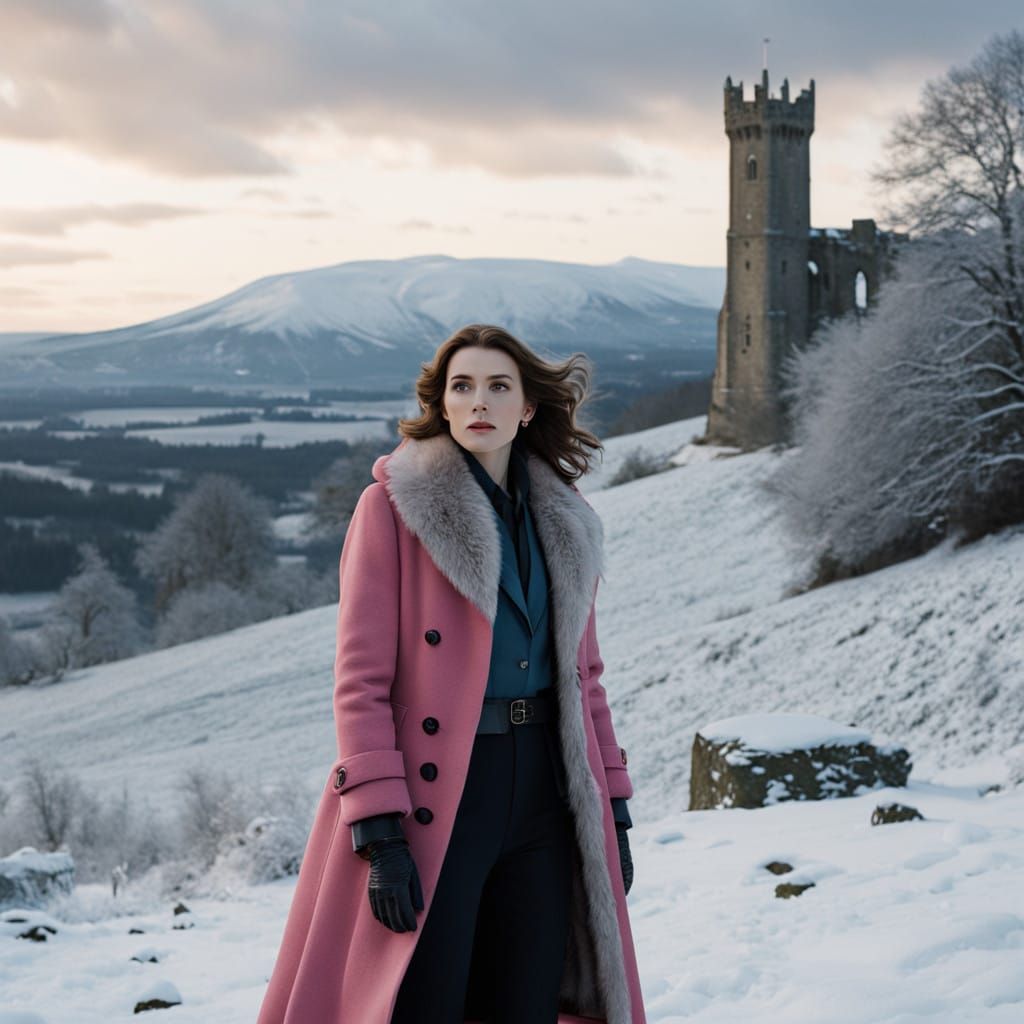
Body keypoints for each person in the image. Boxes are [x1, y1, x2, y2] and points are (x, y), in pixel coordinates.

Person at [256, 324, 645, 1024]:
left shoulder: (569, 521)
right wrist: (380, 832)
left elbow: (585, 678)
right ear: (441, 404)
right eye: (461, 387)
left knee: (525, 1002)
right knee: (426, 1001)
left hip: (547, 795)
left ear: (528, 407)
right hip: (442, 793)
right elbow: (360, 681)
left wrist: (611, 807)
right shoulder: (393, 509)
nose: (478, 402)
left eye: (499, 386)